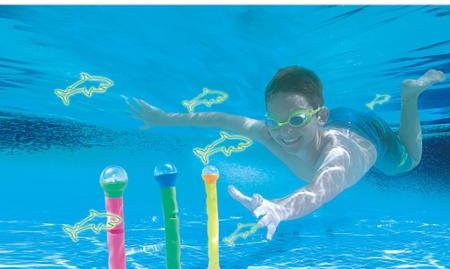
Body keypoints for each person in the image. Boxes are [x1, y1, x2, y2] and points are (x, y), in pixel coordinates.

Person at [127, 66, 446, 240]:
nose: (284, 133)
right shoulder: (274, 132)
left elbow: (319, 190)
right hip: (334, 119)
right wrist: (164, 118)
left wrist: (280, 208)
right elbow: (221, 119)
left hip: (364, 129)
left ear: (319, 116)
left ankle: (410, 95)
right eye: (274, 122)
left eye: (294, 120)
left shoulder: (341, 157)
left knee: (407, 161)